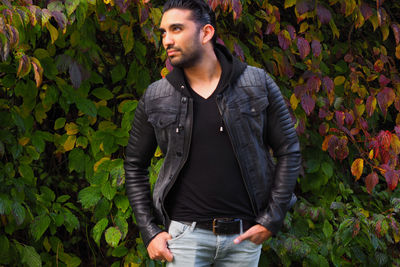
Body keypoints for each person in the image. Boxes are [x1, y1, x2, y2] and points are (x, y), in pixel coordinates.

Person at [124, 0, 301, 266]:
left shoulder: (256, 83)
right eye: (163, 32)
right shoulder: (157, 95)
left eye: (176, 29)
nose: (166, 40)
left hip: (244, 240)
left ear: (206, 33)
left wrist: (272, 220)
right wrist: (150, 232)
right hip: (183, 240)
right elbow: (135, 165)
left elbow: (289, 150)